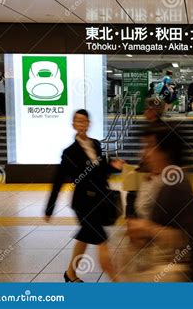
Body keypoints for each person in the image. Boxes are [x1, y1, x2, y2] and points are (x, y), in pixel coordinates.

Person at [45, 109, 124, 282]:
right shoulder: (70, 152)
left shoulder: (95, 144)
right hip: (83, 203)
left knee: (85, 237)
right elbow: (58, 180)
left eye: (84, 121)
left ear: (89, 123)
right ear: (73, 124)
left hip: (98, 199)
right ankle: (118, 283)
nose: (81, 124)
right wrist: (49, 208)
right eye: (78, 121)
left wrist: (113, 167)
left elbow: (100, 171)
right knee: (102, 240)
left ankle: (70, 274)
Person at [127, 127, 193, 281]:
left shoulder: (177, 186)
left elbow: (191, 240)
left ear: (166, 152)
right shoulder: (159, 180)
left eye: (150, 146)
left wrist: (148, 228)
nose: (143, 153)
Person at [125, 98, 166, 218]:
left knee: (139, 201)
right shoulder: (158, 126)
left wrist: (151, 171)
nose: (144, 112)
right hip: (151, 172)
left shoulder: (157, 129)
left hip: (153, 173)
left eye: (146, 108)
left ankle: (135, 223)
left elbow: (159, 154)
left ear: (152, 110)